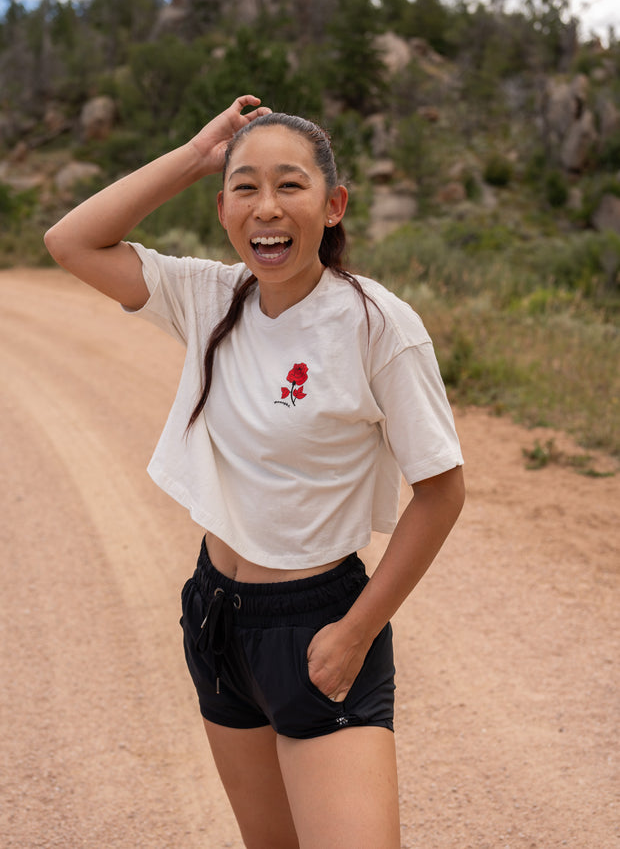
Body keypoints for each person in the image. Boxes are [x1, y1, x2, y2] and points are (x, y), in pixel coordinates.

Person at [45, 95, 465, 849]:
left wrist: (356, 632)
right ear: (223, 209)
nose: (266, 207)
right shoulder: (211, 296)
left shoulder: (377, 326)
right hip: (217, 618)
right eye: (245, 188)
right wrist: (198, 154)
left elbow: (441, 491)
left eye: (290, 185)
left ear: (334, 205)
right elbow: (71, 241)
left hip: (318, 622)